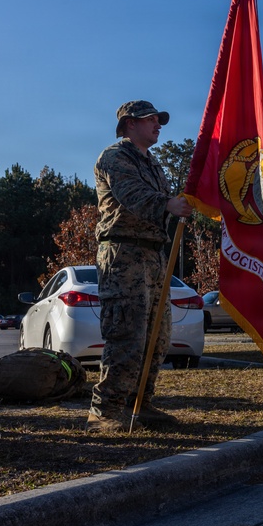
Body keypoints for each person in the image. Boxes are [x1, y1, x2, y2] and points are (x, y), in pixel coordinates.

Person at [87, 100, 193, 433]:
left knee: (156, 337)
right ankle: (105, 411)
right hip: (124, 253)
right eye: (151, 120)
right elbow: (132, 195)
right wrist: (167, 203)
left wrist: (178, 205)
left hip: (152, 254)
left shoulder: (153, 163)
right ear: (129, 124)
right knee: (126, 334)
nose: (158, 125)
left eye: (159, 120)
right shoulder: (115, 156)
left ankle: (139, 404)